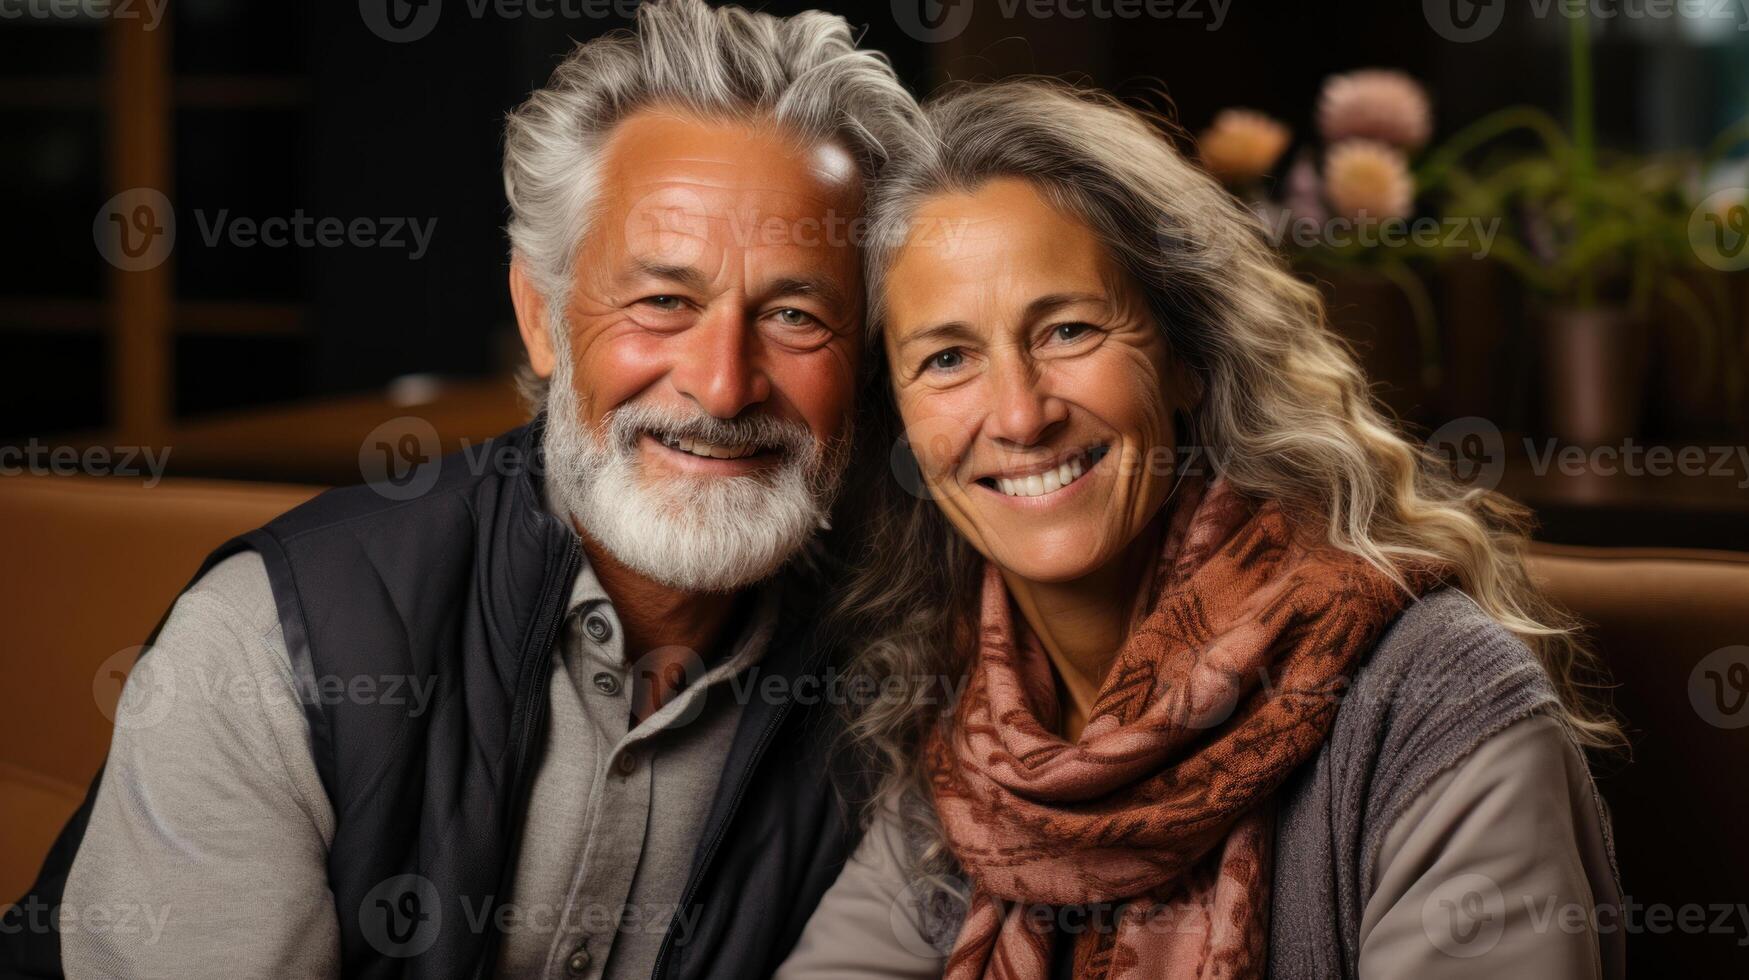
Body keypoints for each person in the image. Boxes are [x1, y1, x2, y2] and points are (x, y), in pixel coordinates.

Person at [1, 2, 922, 977]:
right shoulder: (269, 643)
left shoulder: (916, 665)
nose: (726, 383)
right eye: (662, 301)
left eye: (794, 313)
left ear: (863, 350)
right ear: (540, 314)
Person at [779, 79, 1625, 979]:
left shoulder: (1434, 705)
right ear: (899, 417)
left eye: (1068, 329)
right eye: (947, 358)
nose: (1020, 416)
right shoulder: (976, 730)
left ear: (1186, 358)